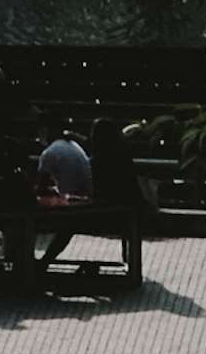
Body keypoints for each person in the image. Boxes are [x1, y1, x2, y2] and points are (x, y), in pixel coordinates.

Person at [78, 105, 152, 288]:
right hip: (132, 209)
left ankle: (44, 262)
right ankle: (131, 263)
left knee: (69, 224)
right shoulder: (123, 154)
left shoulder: (98, 161)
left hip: (110, 212)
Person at [30, 118, 93, 276]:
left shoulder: (50, 152)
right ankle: (43, 262)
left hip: (73, 204)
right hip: (85, 198)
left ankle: (31, 262)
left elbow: (41, 188)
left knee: (27, 210)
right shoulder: (73, 146)